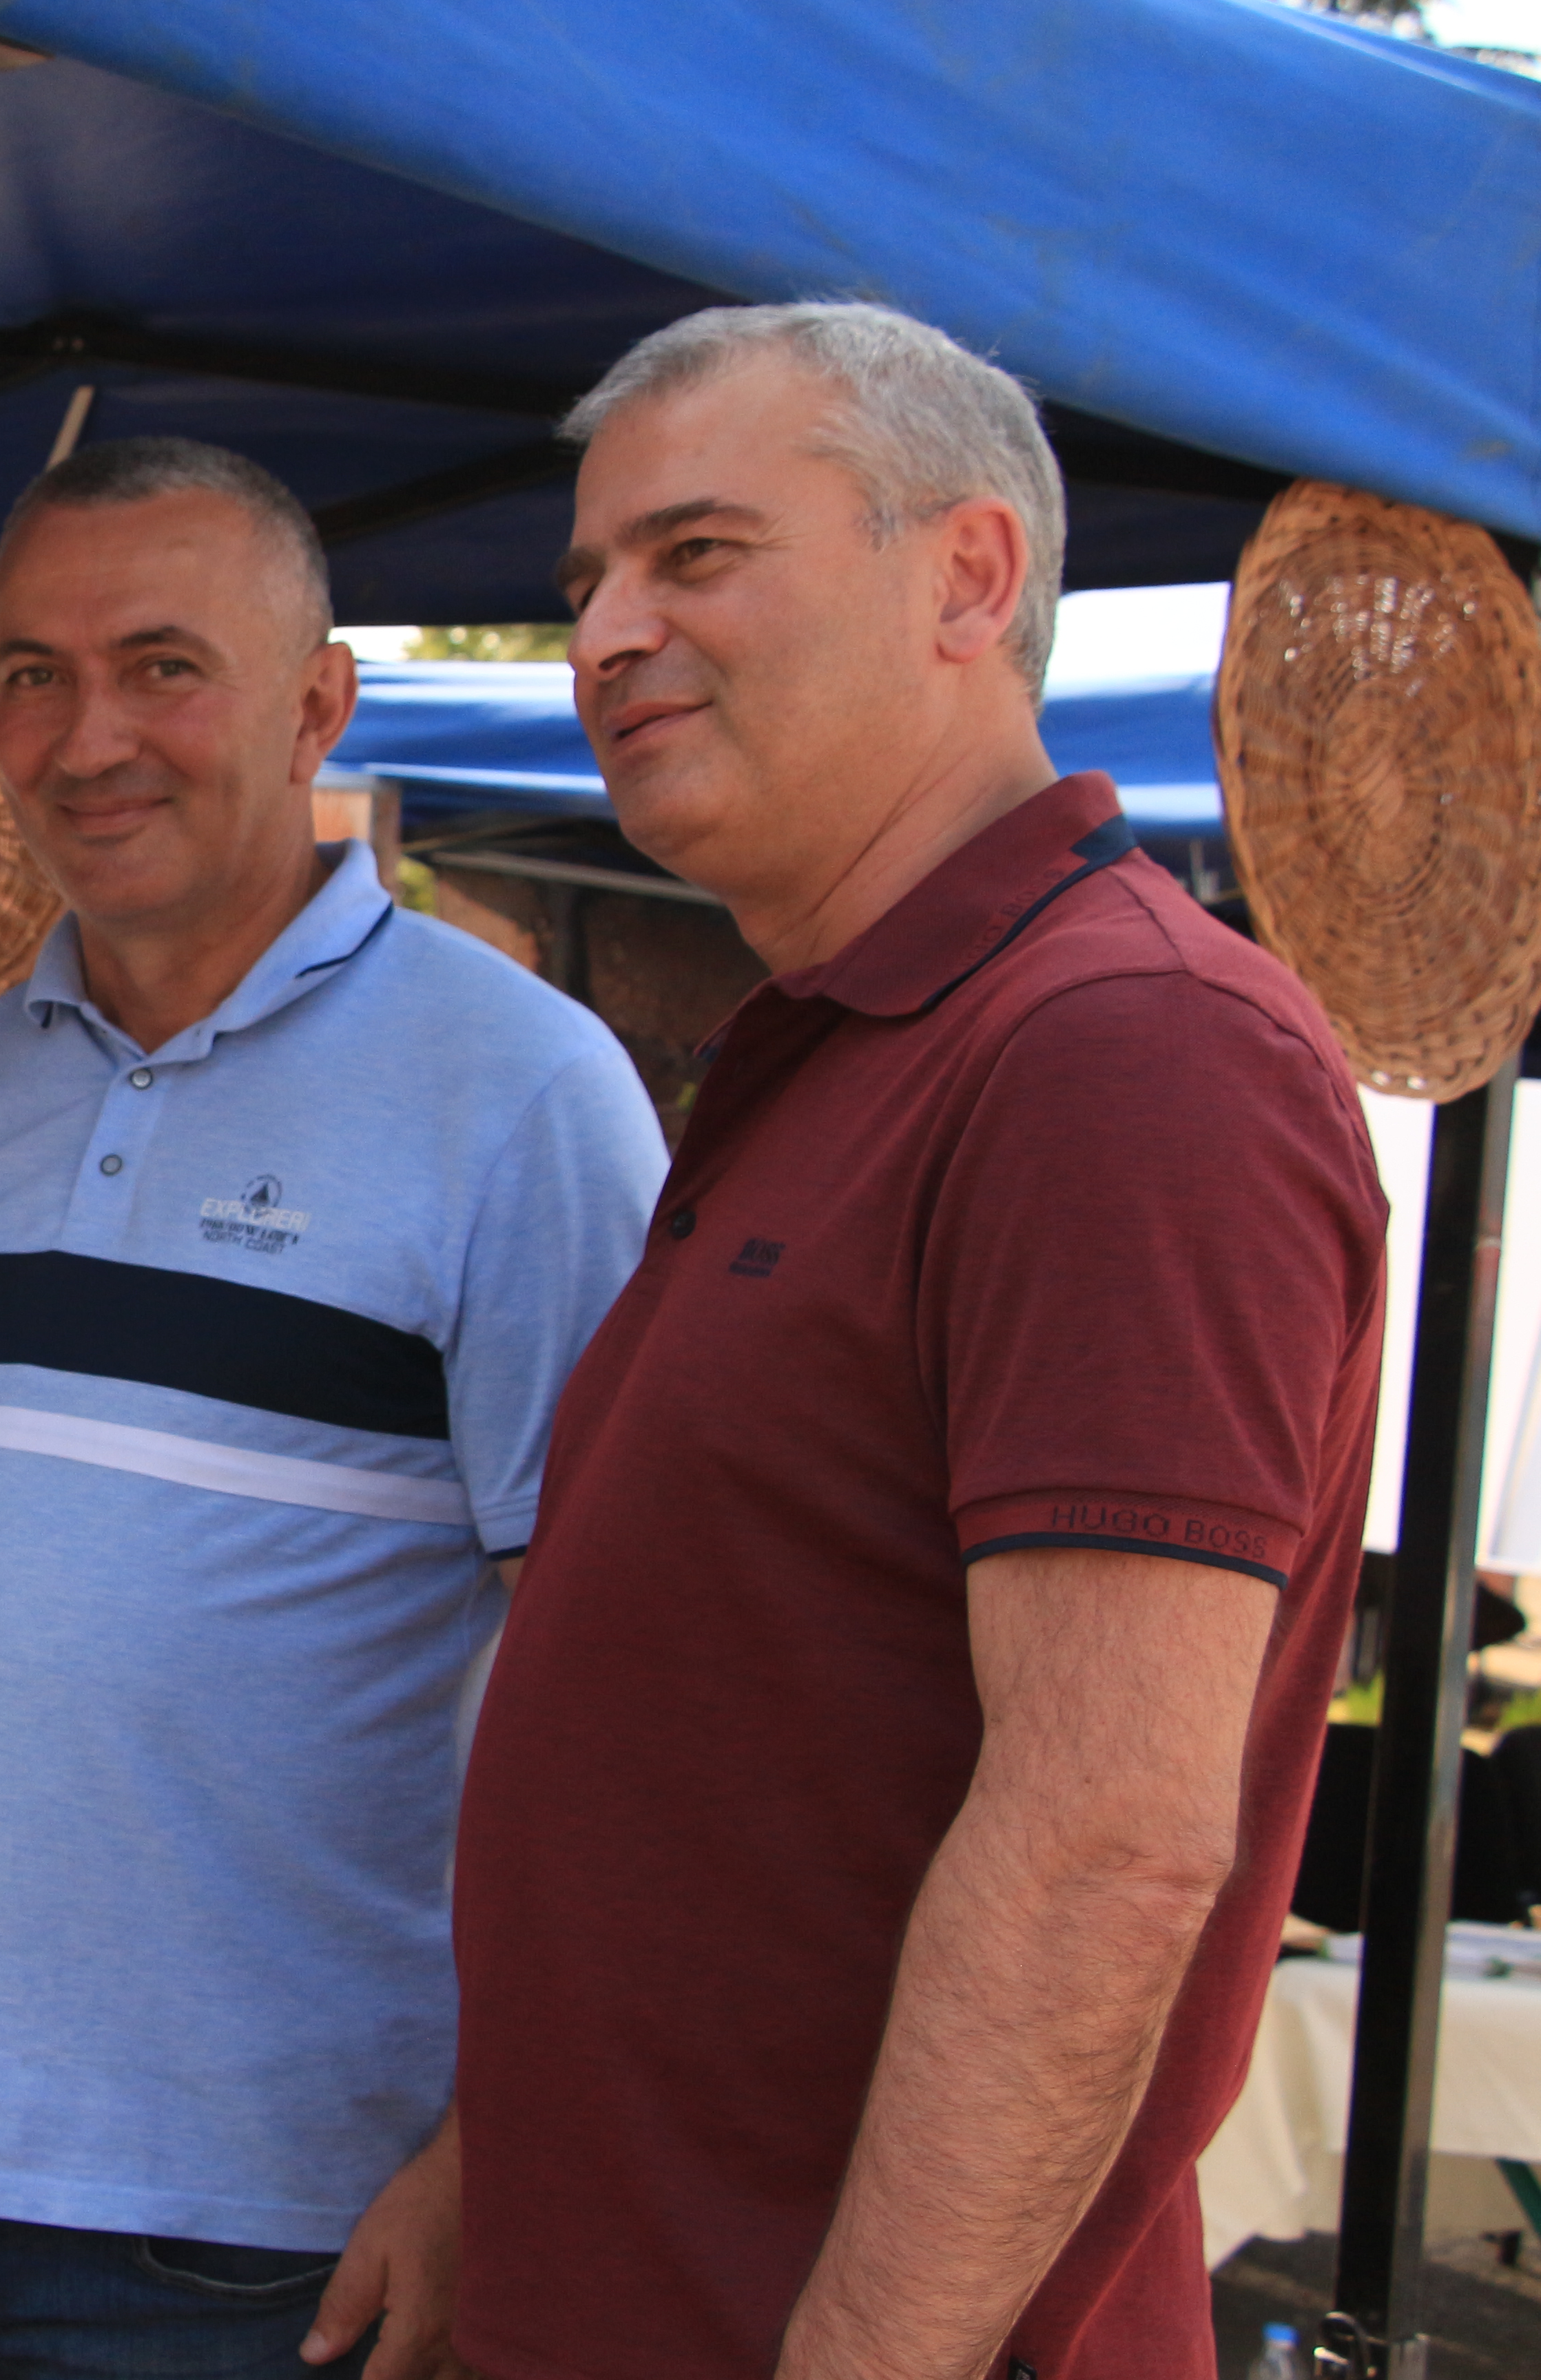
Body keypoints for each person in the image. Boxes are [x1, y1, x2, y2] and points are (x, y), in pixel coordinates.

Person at [0, 437, 669, 2379]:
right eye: (34, 677)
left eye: (164, 667)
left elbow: (623, 1680)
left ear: (317, 702)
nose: (87, 741)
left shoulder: (521, 1096)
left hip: (251, 2237)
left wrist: (500, 2140)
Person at [453, 302, 1387, 2380]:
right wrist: (482, 2171)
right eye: (587, 579)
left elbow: (1107, 1849)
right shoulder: (856, 1039)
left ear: (968, 578)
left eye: (696, 554)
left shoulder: (1122, 1048)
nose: (604, 632)